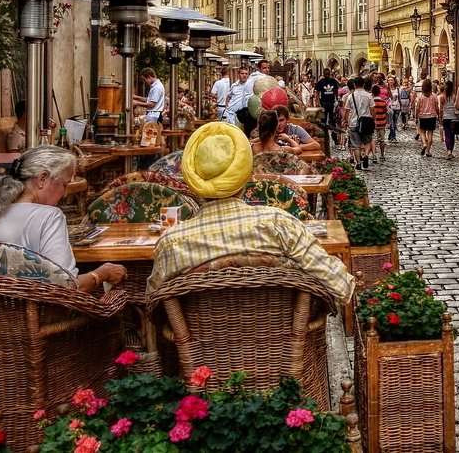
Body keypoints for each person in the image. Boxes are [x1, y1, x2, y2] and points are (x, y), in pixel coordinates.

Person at [148, 124, 355, 298]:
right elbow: (342, 286)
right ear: (246, 174)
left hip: (199, 345)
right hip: (285, 342)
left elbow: (153, 299)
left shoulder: (172, 242)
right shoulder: (279, 225)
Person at [0, 145, 126, 292]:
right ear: (42, 179)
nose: (65, 193)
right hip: (38, 314)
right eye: (64, 185)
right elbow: (66, 286)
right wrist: (101, 273)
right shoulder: (49, 216)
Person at [343, 76, 376, 170]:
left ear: (354, 85)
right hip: (366, 122)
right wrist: (373, 119)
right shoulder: (368, 95)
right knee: (367, 141)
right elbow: (372, 109)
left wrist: (345, 120)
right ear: (364, 84)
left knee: (355, 144)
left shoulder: (351, 96)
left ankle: (358, 163)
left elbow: (346, 110)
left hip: (354, 122)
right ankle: (365, 155)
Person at [414, 79, 440, 157]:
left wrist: (416, 116)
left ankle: (424, 143)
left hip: (423, 116)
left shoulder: (421, 97)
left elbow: (418, 108)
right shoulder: (434, 96)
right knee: (430, 134)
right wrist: (438, 115)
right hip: (432, 116)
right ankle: (428, 151)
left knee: (422, 132)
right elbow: (437, 107)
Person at [314, 68, 340, 134]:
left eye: (328, 74)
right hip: (323, 103)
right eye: (326, 74)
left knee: (333, 120)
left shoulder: (333, 81)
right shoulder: (321, 82)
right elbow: (317, 92)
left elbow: (336, 91)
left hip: (332, 102)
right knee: (323, 120)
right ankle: (324, 135)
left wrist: (337, 99)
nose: (327, 75)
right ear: (324, 74)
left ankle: (334, 136)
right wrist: (317, 102)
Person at [439, 80, 459, 159]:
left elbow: (441, 109)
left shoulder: (442, 97)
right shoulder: (454, 96)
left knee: (447, 135)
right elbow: (457, 106)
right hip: (453, 118)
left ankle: (449, 151)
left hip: (446, 117)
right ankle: (451, 150)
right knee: (452, 135)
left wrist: (440, 117)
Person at [371, 84, 389, 163]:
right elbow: (386, 112)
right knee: (382, 140)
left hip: (373, 123)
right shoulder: (383, 102)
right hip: (382, 123)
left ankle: (374, 155)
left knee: (373, 139)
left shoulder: (371, 102)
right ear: (379, 92)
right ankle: (382, 155)